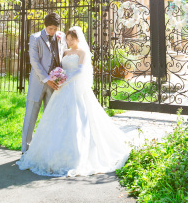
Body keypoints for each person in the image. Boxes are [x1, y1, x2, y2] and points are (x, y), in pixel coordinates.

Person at [17, 26, 131, 177]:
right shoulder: (65, 52)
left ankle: (78, 154)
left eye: (72, 39)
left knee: (78, 117)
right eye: (68, 39)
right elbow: (60, 67)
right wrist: (58, 77)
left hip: (75, 87)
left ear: (78, 39)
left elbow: (80, 70)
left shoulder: (82, 52)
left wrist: (65, 80)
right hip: (61, 89)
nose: (70, 42)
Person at [21, 12, 66, 154]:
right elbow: (34, 61)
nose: (53, 31)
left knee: (50, 116)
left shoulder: (61, 37)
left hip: (55, 84)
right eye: (50, 28)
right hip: (38, 82)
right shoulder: (35, 38)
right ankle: (25, 149)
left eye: (55, 29)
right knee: (31, 116)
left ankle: (47, 149)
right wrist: (47, 79)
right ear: (45, 26)